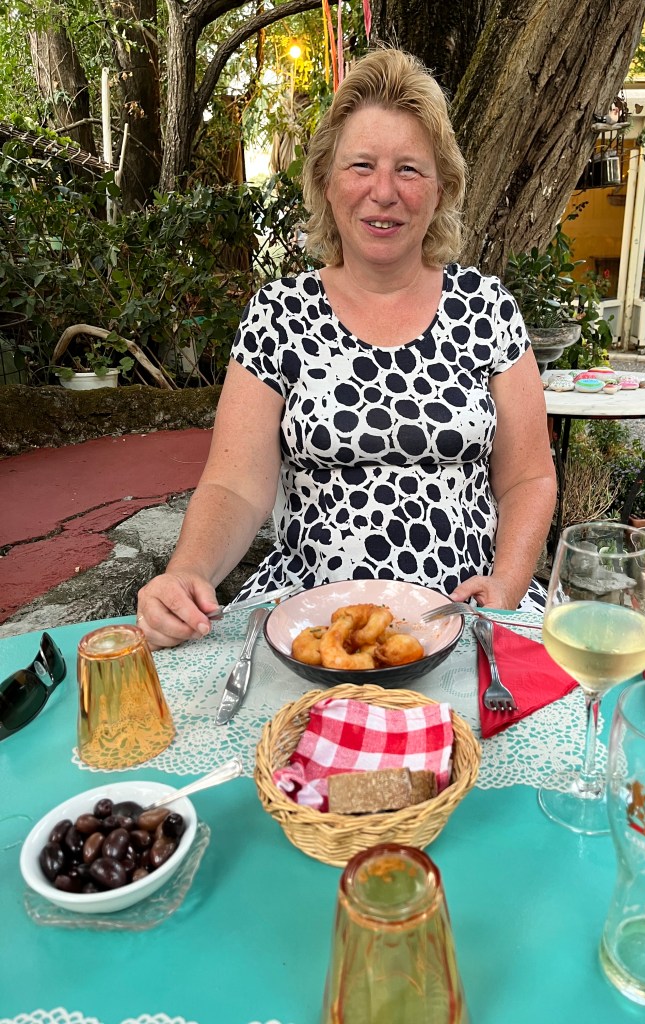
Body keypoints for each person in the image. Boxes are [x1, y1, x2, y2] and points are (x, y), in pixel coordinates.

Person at [137, 47, 557, 650]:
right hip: (309, 625)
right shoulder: (278, 314)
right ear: (326, 183)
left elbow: (529, 477)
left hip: (467, 611)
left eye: (409, 170)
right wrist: (187, 573)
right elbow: (235, 486)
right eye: (361, 165)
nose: (384, 191)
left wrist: (508, 585)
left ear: (441, 189)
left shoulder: (487, 308)